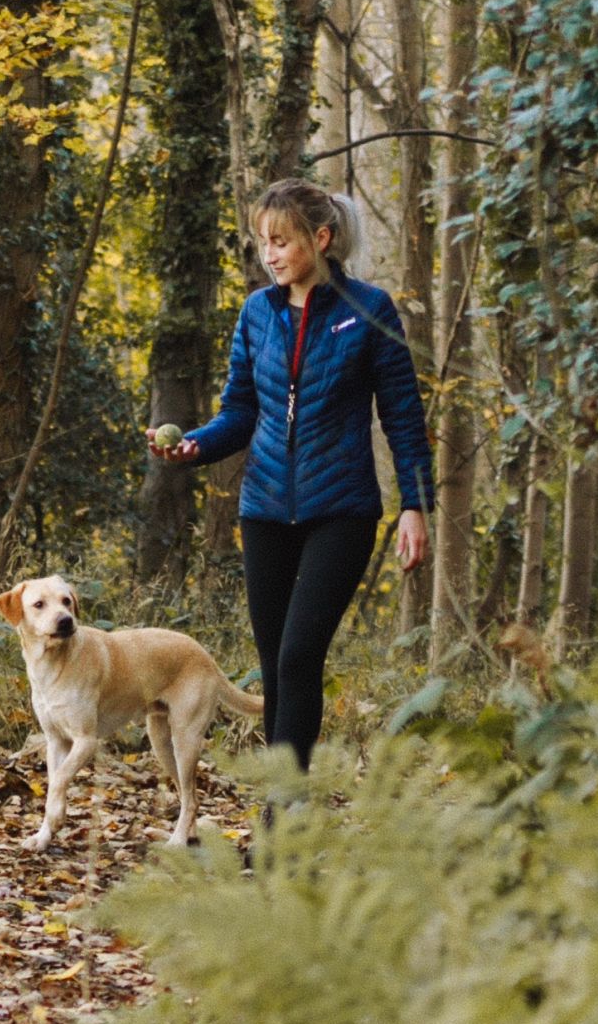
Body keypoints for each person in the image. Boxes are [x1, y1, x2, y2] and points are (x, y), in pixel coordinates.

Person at [149, 178, 433, 773]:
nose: (270, 254)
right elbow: (241, 412)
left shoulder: (368, 310)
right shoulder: (257, 314)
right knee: (277, 662)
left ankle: (286, 815)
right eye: (263, 243)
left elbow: (402, 414)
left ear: (321, 239)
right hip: (265, 513)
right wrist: (193, 447)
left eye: (280, 241)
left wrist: (415, 503)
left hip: (343, 512)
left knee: (301, 655)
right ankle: (282, 817)